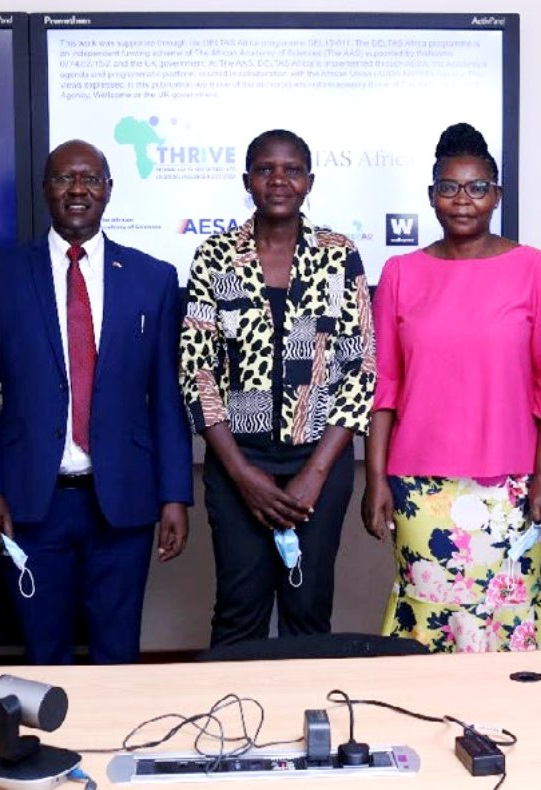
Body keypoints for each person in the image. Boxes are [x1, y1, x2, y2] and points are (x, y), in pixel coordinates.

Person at [0, 139, 191, 665]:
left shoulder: (152, 278)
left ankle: (111, 747)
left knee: (117, 655)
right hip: (31, 502)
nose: (78, 190)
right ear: (45, 189)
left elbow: (165, 396)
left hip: (124, 502)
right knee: (45, 653)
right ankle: (51, 748)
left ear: (109, 191)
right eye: (64, 178)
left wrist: (175, 493)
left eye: (90, 178)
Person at [364, 122, 541, 653]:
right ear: (431, 197)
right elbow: (384, 387)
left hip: (512, 486)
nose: (463, 201)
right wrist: (376, 480)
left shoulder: (537, 271)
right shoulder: (401, 273)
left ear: (496, 195)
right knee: (430, 617)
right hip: (418, 486)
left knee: (508, 613)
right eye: (450, 188)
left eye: (477, 188)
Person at [181, 129, 374, 647]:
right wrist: (242, 474)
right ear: (247, 181)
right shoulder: (216, 256)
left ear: (309, 182)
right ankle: (228, 723)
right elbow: (198, 372)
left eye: (291, 169)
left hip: (318, 463)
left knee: (307, 612)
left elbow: (358, 371)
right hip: (237, 463)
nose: (279, 179)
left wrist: (313, 474)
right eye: (266, 169)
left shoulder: (339, 255)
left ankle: (306, 723)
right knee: (238, 613)